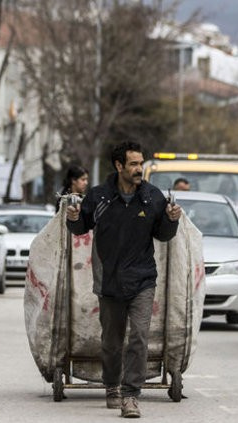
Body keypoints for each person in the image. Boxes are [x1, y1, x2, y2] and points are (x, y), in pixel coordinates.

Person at [66, 141, 181, 418]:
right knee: (112, 341)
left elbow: (164, 235)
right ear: (119, 166)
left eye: (141, 163)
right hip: (109, 281)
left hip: (143, 279)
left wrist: (171, 219)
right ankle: (112, 386)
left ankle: (130, 395)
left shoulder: (153, 197)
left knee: (139, 336)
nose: (139, 169)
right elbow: (81, 227)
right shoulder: (99, 197)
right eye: (133, 164)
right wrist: (73, 217)